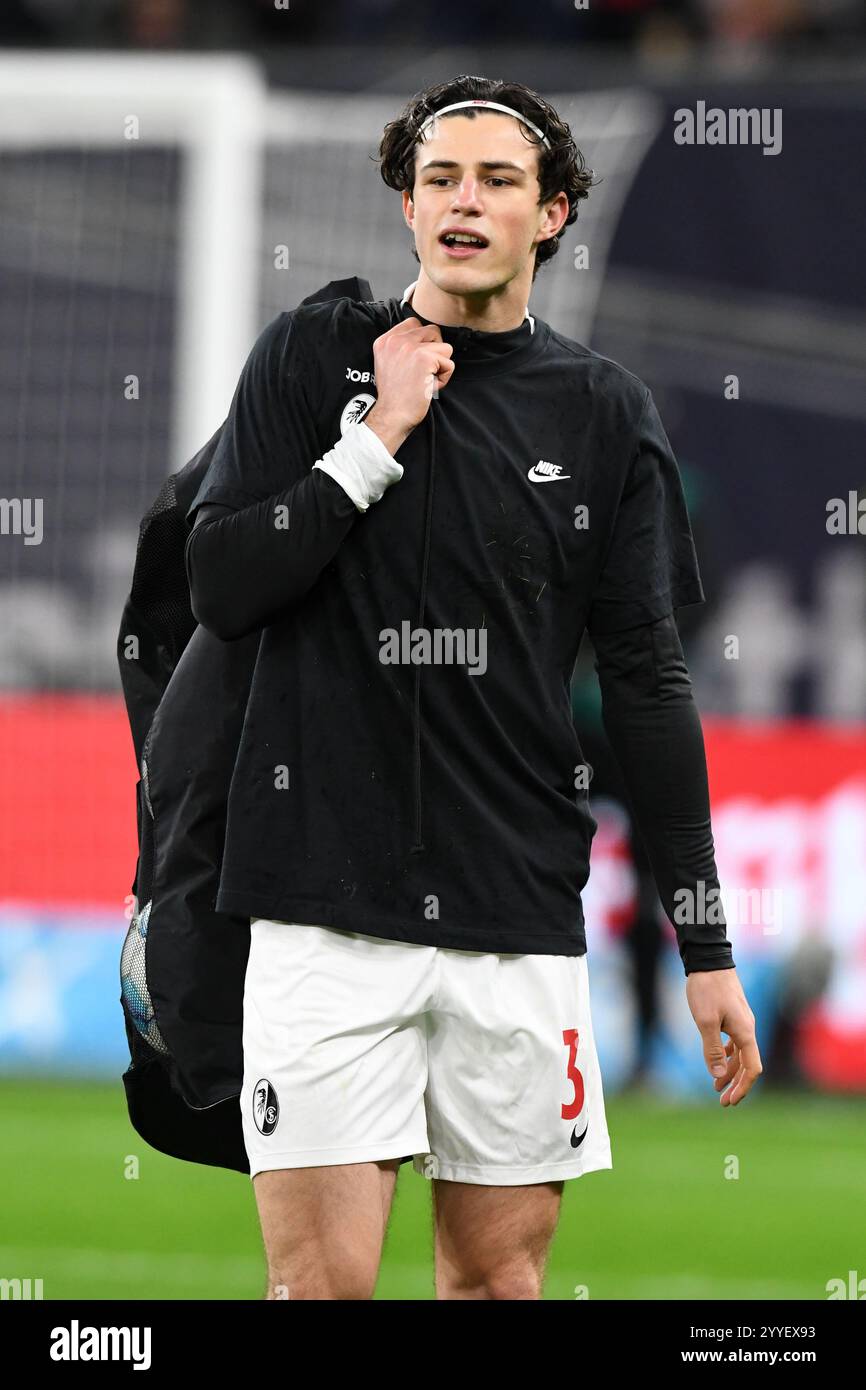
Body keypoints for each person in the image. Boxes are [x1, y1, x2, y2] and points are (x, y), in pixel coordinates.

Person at [184, 75, 762, 1301]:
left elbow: (650, 685)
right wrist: (371, 441)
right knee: (320, 1290)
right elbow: (222, 586)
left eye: (498, 180)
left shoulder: (604, 414)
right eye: (439, 178)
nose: (464, 200)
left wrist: (702, 941)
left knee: (498, 1287)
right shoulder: (309, 358)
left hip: (514, 918)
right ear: (405, 206)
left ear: (551, 214)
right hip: (320, 906)